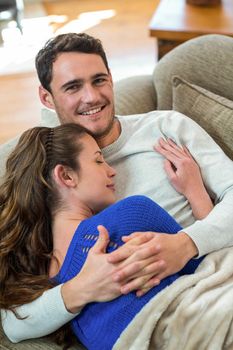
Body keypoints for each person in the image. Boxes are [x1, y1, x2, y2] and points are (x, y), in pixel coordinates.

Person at [2, 32, 233, 344]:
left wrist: (186, 244)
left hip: (212, 274)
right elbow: (14, 321)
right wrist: (82, 288)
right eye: (73, 87)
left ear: (111, 78)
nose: (92, 97)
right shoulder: (47, 179)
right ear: (47, 98)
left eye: (99, 80)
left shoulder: (166, 127)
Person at [0, 123, 211, 350]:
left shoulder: (44, 279)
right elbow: (213, 258)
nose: (112, 171)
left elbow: (13, 327)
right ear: (67, 175)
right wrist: (195, 190)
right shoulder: (131, 214)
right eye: (99, 160)